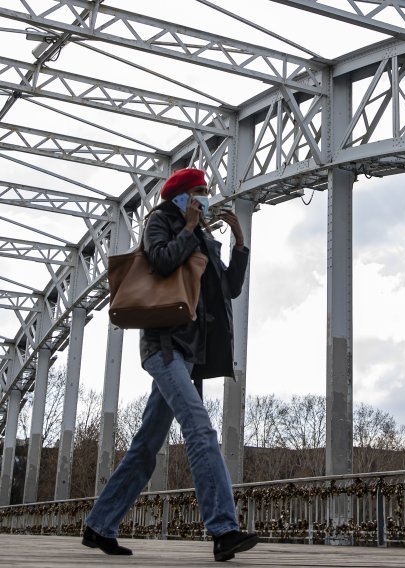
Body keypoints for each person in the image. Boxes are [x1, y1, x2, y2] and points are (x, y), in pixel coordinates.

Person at [82, 168, 258, 562]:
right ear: (180, 195)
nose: (205, 198)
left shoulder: (206, 238)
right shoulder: (158, 221)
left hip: (190, 353)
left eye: (206, 193)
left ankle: (99, 525)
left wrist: (240, 243)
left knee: (146, 447)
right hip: (164, 346)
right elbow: (161, 262)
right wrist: (189, 228)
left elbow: (229, 288)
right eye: (199, 191)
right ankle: (223, 529)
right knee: (199, 429)